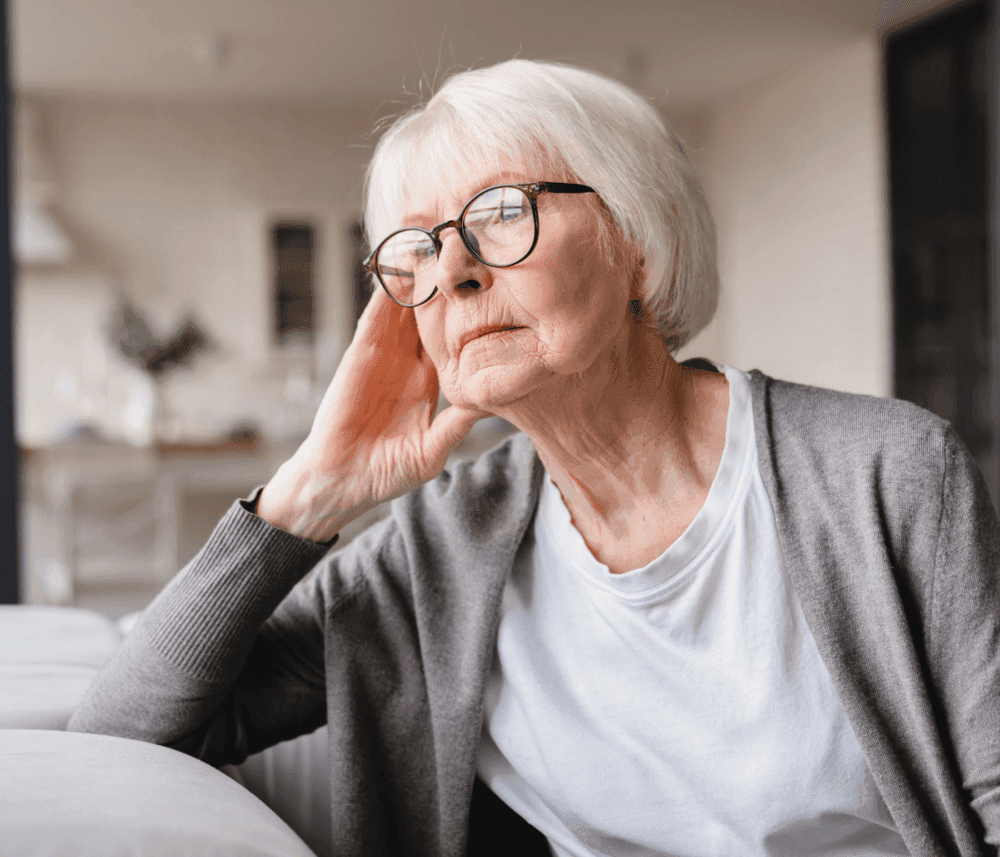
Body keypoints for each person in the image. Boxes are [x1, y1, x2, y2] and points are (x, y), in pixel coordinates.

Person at [69, 59, 1000, 857]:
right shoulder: (436, 548)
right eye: (418, 249)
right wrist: (311, 491)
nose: (454, 270)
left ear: (639, 246)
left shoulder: (888, 473)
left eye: (501, 212)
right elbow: (117, 732)